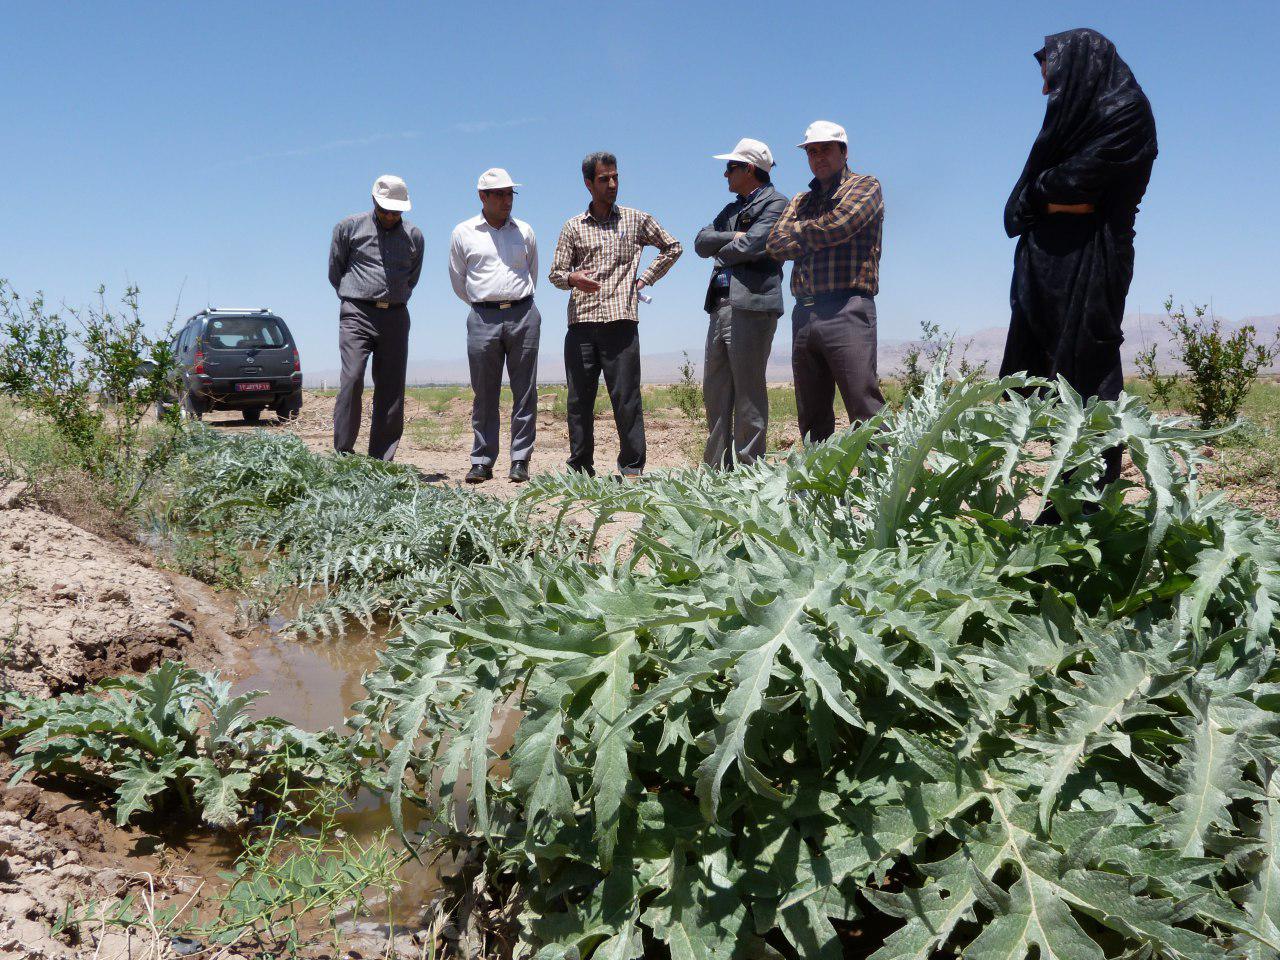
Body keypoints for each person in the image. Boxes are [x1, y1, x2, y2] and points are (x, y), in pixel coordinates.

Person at [1001, 28, 1157, 487]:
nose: (1047, 91)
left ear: (1083, 69)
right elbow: (1029, 201)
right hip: (1045, 260)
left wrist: (1044, 191)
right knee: (1049, 373)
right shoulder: (1077, 118)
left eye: (1054, 78)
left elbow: (1074, 183)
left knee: (1089, 372)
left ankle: (1092, 493)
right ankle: (1062, 496)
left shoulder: (1126, 113)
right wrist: (1045, 195)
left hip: (1093, 258)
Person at [548, 151, 682, 478]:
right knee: (579, 401)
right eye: (604, 179)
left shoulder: (635, 220)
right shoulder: (573, 227)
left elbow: (673, 246)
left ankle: (632, 467)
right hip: (581, 326)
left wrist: (644, 279)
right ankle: (580, 468)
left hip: (621, 323)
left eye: (615, 177)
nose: (612, 184)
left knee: (626, 399)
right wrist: (572, 278)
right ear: (588, 184)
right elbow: (555, 274)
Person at [766, 121, 885, 444]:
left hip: (847, 308)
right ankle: (821, 489)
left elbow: (840, 225)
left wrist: (801, 233)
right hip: (804, 314)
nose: (818, 157)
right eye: (811, 151)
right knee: (812, 411)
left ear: (844, 152)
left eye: (825, 149)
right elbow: (774, 244)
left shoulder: (865, 186)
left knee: (864, 404)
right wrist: (816, 232)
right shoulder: (800, 200)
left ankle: (885, 488)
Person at [694, 139, 789, 468]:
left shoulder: (777, 204)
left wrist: (731, 244)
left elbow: (752, 245)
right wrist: (732, 239)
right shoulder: (732, 209)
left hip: (751, 307)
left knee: (749, 394)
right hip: (720, 306)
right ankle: (717, 473)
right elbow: (700, 242)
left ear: (749, 169)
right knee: (715, 392)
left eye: (731, 167)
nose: (725, 174)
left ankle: (750, 475)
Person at [448, 168, 540, 484]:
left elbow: (533, 272)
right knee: (484, 393)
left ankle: (520, 460)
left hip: (523, 314)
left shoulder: (524, 231)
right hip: (482, 317)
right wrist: (484, 303)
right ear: (482, 197)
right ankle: (483, 460)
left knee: (524, 391)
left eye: (510, 193)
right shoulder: (463, 233)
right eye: (499, 194)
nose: (506, 200)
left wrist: (515, 303)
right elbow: (458, 280)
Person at [328, 174, 424, 461]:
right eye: (386, 210)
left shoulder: (414, 236)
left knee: (392, 388)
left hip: (395, 316)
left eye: (397, 212)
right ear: (373, 201)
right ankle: (344, 452)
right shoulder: (348, 228)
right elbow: (336, 271)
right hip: (357, 313)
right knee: (353, 378)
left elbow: (412, 277)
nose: (391, 216)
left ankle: (381, 460)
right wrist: (356, 296)